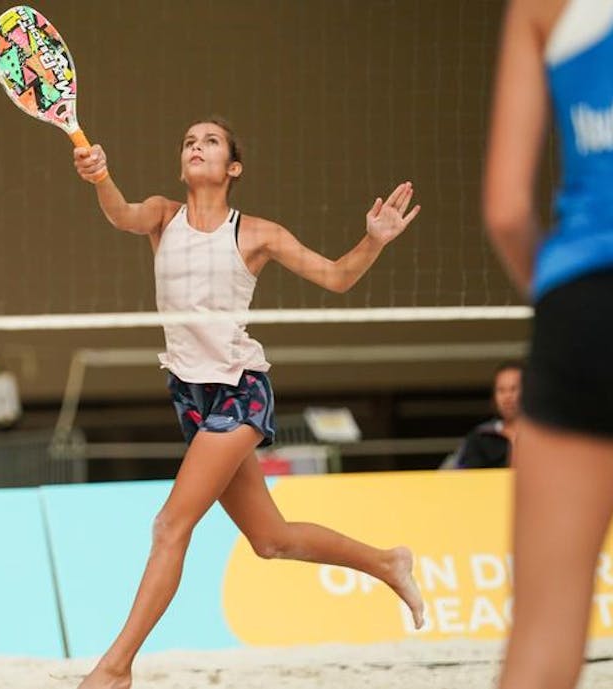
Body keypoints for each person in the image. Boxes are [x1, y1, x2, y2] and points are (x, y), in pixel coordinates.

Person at [71, 118, 425, 689]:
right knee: (271, 539)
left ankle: (115, 669)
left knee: (169, 526)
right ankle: (387, 562)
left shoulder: (257, 233)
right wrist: (100, 175)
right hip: (189, 394)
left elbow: (336, 278)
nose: (195, 147)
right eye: (187, 140)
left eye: (209, 141)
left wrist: (374, 239)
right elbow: (120, 214)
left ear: (232, 168)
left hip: (238, 390)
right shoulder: (163, 215)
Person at [485, 1, 613, 687]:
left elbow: (506, 211)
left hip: (585, 299)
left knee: (543, 638)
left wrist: (567, 303)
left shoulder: (542, 6)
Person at [446, 360, 523, 469]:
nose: (507, 397)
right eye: (501, 390)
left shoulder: (544, 435)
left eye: (514, 389)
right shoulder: (480, 437)